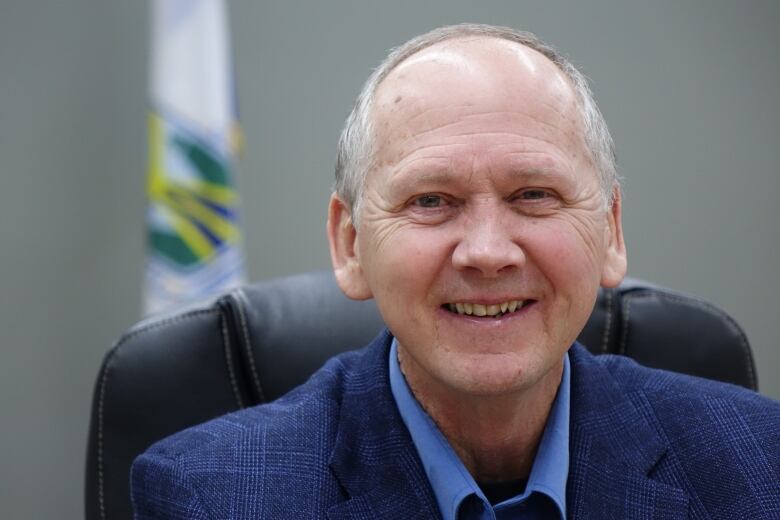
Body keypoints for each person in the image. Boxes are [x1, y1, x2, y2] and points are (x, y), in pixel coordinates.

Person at [131, 24, 780, 519]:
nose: (488, 251)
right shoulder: (209, 497)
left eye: (533, 195)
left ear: (610, 230)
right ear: (350, 244)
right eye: (431, 201)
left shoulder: (761, 464)